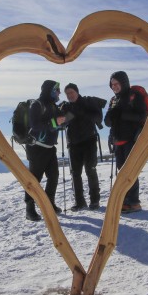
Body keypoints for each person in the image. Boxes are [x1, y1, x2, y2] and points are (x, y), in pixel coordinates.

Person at [104, 71, 148, 213]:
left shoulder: (134, 96)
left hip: (132, 139)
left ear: (124, 82)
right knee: (121, 172)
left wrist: (122, 114)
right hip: (118, 140)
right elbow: (107, 122)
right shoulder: (113, 100)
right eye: (112, 84)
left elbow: (143, 116)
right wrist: (110, 117)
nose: (114, 86)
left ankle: (134, 202)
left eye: (116, 83)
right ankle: (125, 200)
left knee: (130, 172)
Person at [24, 80, 66, 221]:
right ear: (50, 90)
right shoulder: (37, 104)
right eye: (57, 90)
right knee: (34, 179)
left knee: (53, 176)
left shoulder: (54, 106)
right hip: (36, 147)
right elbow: (35, 125)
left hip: (49, 148)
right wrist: (55, 123)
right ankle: (29, 209)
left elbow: (63, 120)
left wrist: (67, 117)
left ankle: (49, 204)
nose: (59, 93)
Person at [60, 83, 106, 211]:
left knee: (90, 170)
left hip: (89, 141)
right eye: (67, 93)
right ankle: (80, 202)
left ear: (77, 92)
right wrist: (68, 116)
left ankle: (95, 201)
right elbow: (62, 124)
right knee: (75, 173)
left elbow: (98, 117)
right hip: (73, 144)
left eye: (71, 92)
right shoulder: (66, 107)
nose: (69, 95)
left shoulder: (87, 102)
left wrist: (83, 113)